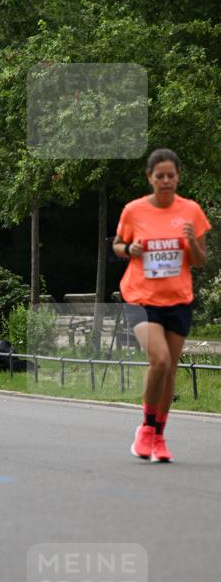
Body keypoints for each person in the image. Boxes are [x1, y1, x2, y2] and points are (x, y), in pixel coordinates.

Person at [113, 148, 211, 462]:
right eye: (160, 176)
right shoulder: (133, 210)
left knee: (170, 371)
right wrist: (131, 248)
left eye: (171, 176)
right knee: (160, 360)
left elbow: (200, 261)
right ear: (150, 178)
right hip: (141, 297)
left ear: (178, 177)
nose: (166, 181)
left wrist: (192, 241)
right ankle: (145, 427)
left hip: (178, 299)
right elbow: (116, 245)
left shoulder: (191, 211)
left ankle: (158, 435)